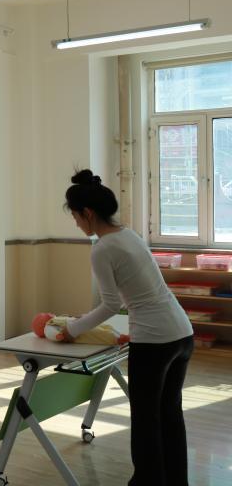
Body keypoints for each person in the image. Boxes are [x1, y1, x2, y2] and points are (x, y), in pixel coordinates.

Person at [61, 169, 194, 486]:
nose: (76, 223)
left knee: (147, 421)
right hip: (181, 333)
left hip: (154, 342)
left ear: (87, 213)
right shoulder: (129, 235)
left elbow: (109, 305)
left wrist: (72, 329)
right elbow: (141, 294)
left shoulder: (103, 248)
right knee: (170, 415)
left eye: (75, 216)